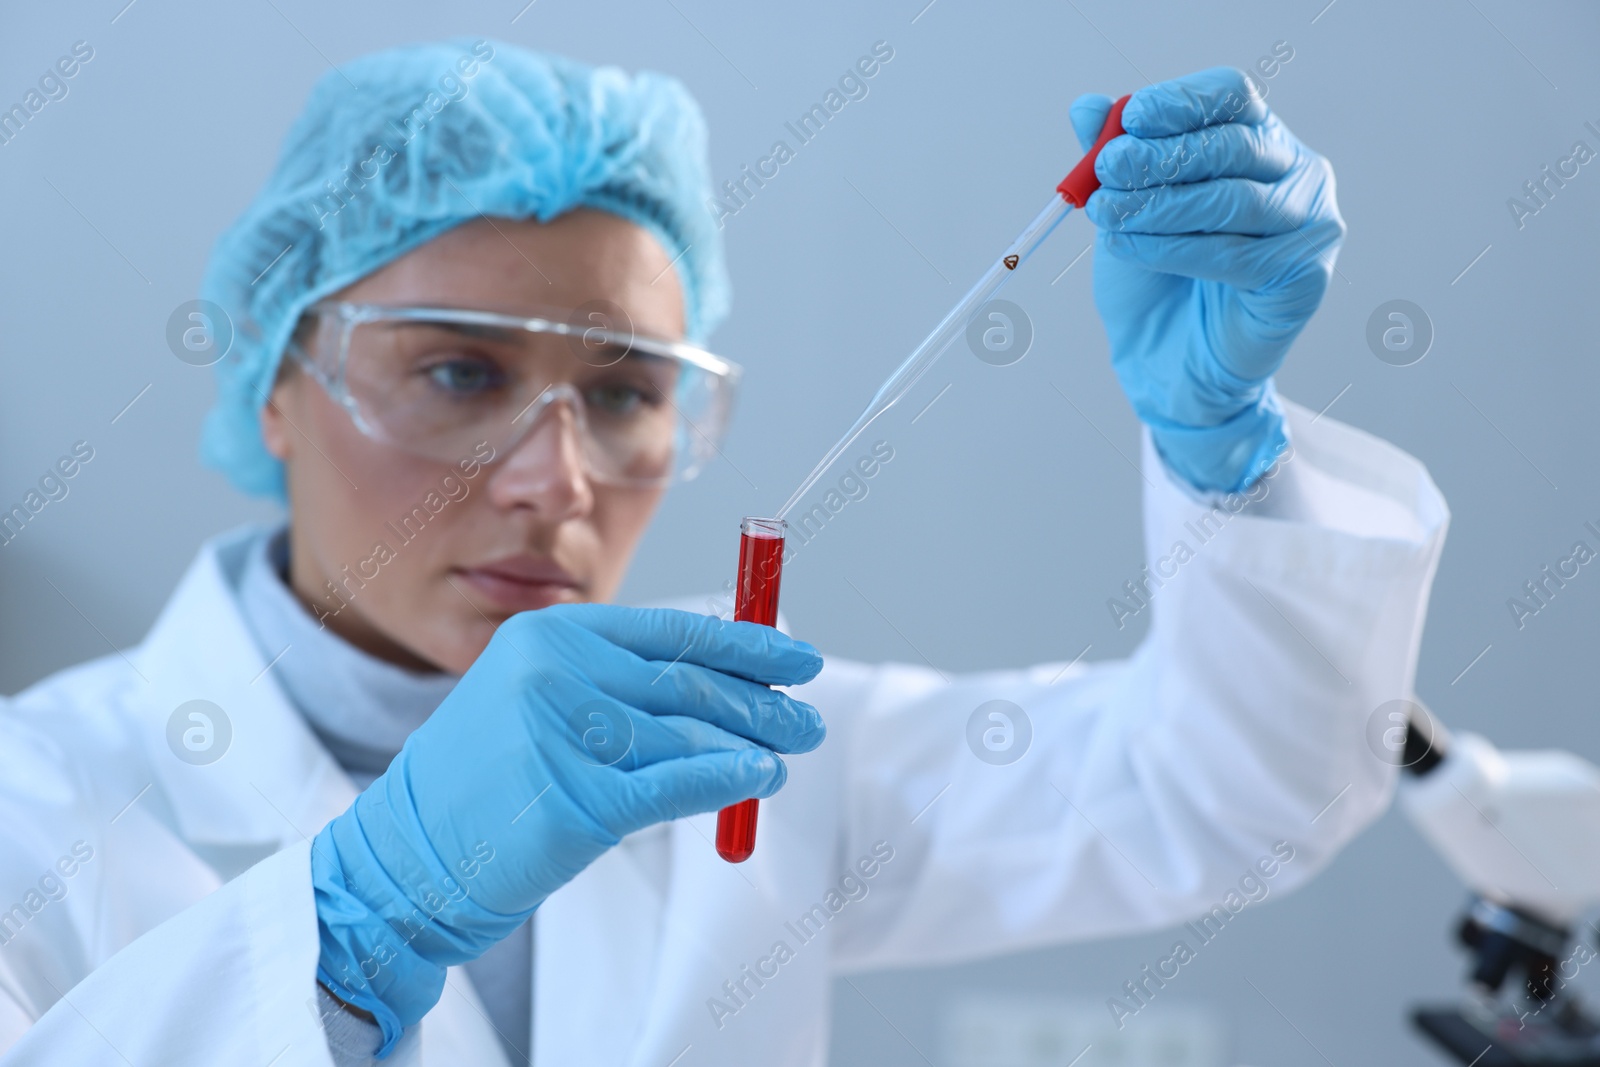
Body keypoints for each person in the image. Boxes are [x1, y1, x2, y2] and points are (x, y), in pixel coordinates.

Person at [0, 38, 1447, 1067]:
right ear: (273, 381)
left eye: (627, 392)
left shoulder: (745, 744)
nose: (555, 480)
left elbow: (1223, 801)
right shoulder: (36, 811)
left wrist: (1220, 446)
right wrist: (353, 929)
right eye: (457, 373)